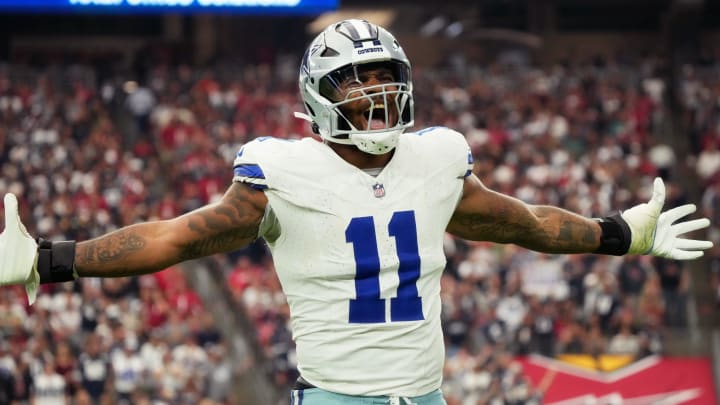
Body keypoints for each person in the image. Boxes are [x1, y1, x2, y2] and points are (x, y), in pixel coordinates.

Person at [0, 19, 713, 405]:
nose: (375, 94)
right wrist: (50, 258)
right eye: (356, 81)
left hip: (426, 396)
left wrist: (618, 234)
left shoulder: (436, 159)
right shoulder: (279, 172)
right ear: (317, 97)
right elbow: (173, 237)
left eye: (385, 78)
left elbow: (522, 221)